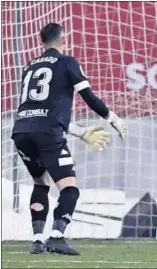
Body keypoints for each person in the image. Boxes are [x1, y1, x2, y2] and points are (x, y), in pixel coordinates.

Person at [11, 22, 126, 255]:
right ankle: (57, 236)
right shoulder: (67, 62)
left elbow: (40, 112)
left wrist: (80, 132)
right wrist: (112, 117)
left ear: (42, 41)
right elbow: (88, 96)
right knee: (69, 189)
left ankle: (37, 241)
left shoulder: (29, 66)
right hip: (46, 134)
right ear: (64, 39)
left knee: (40, 183)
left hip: (21, 132)